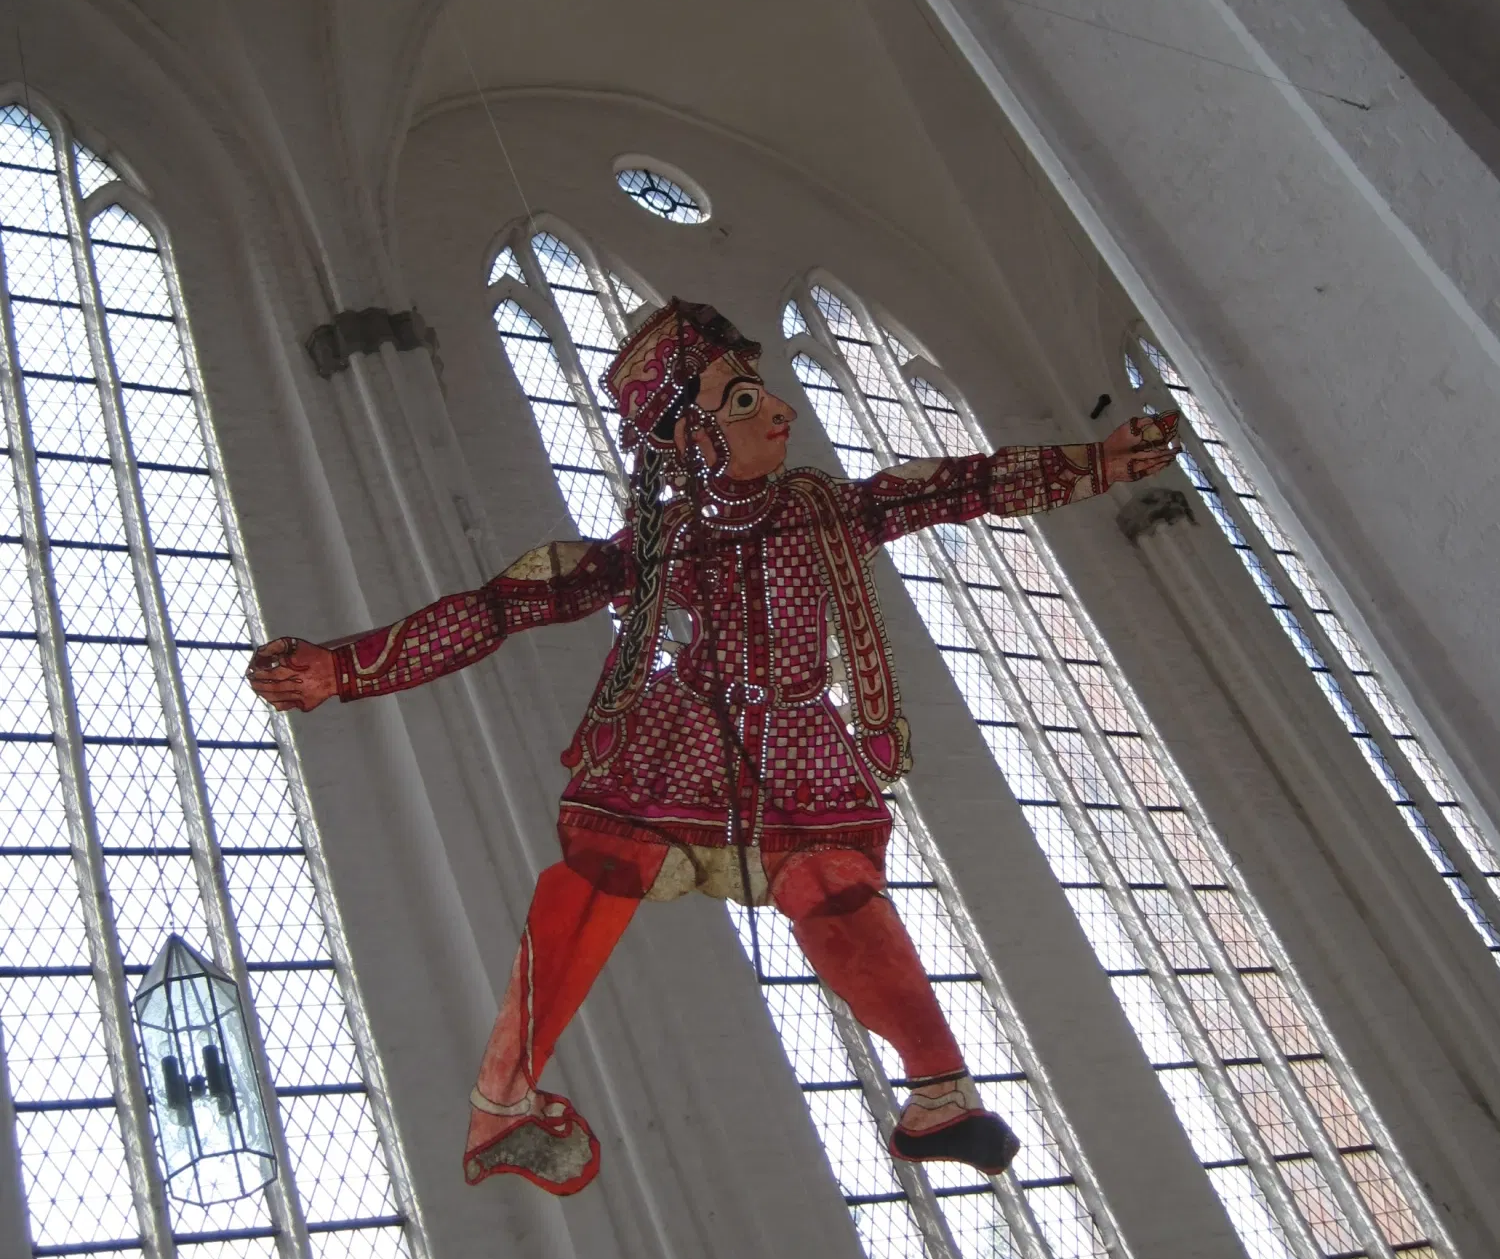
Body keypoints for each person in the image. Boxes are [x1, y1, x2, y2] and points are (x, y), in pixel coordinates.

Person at [249, 299, 1178, 1196]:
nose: (779, 411)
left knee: (836, 889)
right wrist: (348, 668)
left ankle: (938, 1095)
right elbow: (503, 607)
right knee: (599, 874)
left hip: (800, 742)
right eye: (741, 401)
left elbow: (953, 487)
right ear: (688, 441)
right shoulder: (656, 547)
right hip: (682, 736)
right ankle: (502, 1101)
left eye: (761, 392)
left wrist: (1095, 464)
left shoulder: (826, 509)